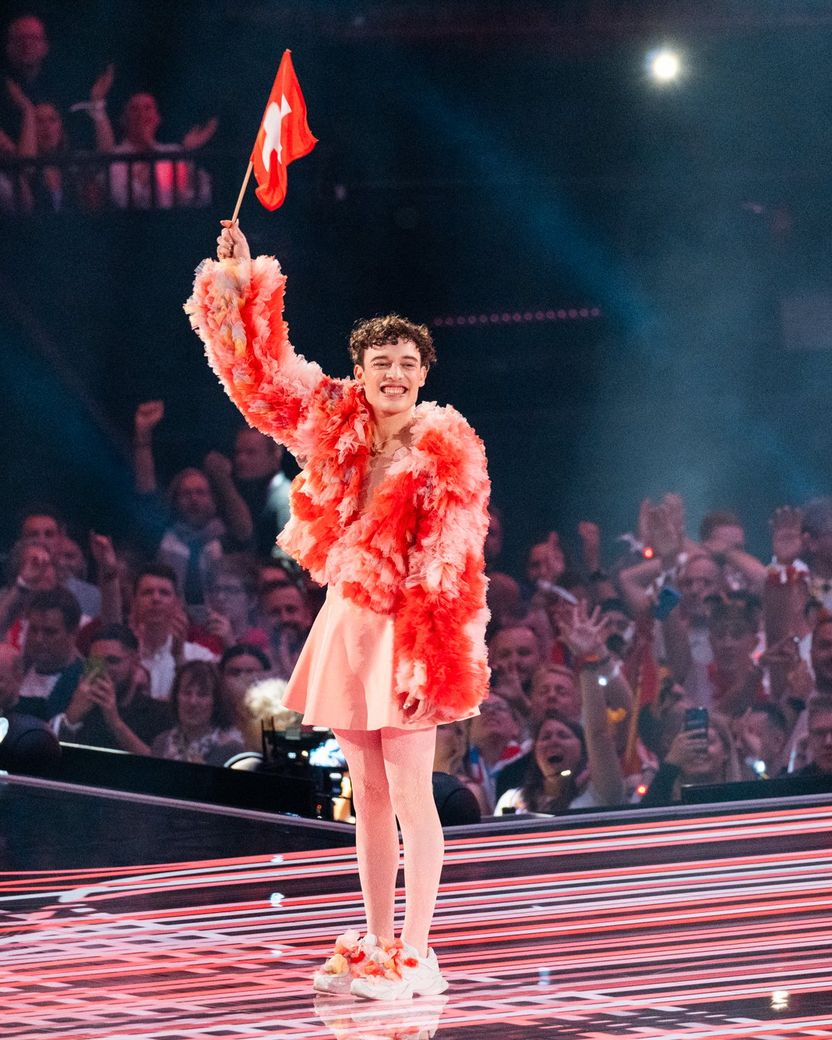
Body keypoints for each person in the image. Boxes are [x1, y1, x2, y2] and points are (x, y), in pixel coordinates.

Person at [185, 220, 490, 1000]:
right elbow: (263, 382)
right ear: (359, 369)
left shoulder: (447, 448)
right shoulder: (336, 423)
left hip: (412, 629)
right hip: (350, 622)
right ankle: (379, 944)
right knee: (368, 795)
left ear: (425, 373)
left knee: (414, 792)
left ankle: (418, 954)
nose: (394, 374)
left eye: (407, 363)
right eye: (380, 362)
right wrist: (240, 282)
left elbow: (450, 565)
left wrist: (430, 656)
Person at [53, 624, 171, 752]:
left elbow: (159, 764)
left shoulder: (159, 713)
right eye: (96, 662)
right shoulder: (79, 705)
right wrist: (71, 718)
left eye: (113, 661)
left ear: (135, 661)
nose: (104, 670)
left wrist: (115, 722)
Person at [109, 91, 216, 209]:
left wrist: (187, 155)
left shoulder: (173, 152)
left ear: (157, 118)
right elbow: (123, 200)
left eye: (147, 108)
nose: (141, 115)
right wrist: (151, 156)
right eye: (134, 109)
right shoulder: (116, 157)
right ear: (124, 120)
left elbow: (202, 196)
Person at [150, 659, 244, 765]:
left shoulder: (233, 752)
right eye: (187, 693)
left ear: (216, 701)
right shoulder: (161, 742)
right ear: (176, 697)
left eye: (202, 694)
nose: (193, 702)